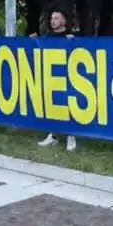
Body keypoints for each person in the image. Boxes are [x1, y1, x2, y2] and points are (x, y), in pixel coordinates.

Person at [31, 9, 78, 151]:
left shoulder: (70, 36)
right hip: (52, 76)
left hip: (67, 76)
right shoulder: (48, 36)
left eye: (56, 18)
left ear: (63, 21)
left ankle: (71, 136)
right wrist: (35, 42)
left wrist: (73, 43)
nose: (53, 21)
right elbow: (43, 52)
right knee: (53, 106)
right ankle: (53, 136)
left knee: (68, 106)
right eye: (52, 18)